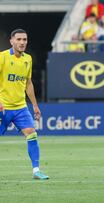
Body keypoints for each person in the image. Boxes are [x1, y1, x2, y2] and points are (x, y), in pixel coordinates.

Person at [0, 29, 49, 180]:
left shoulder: (28, 59)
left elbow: (28, 83)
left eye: (25, 39)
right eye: (19, 39)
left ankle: (36, 170)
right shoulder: (2, 57)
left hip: (21, 107)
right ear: (12, 41)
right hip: (3, 107)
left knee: (32, 133)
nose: (22, 42)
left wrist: (34, 105)